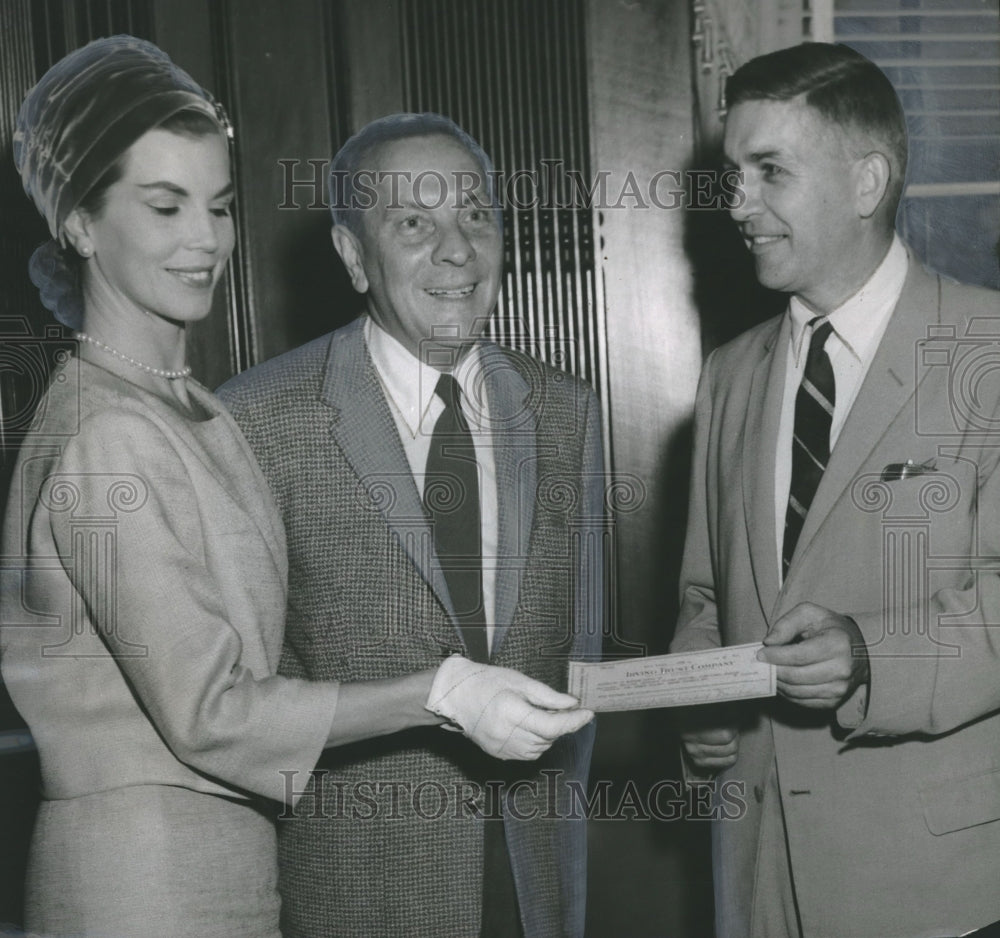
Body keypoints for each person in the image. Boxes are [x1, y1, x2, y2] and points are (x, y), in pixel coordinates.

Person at [0, 38, 591, 938]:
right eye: (165, 207)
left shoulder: (177, 405)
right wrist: (440, 691)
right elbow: (211, 710)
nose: (203, 239)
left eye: (220, 206)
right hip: (144, 885)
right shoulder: (109, 431)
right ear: (79, 225)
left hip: (226, 869)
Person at [217, 112, 605, 938]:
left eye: (476, 215)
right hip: (353, 900)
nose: (457, 249)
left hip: (532, 889)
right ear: (355, 257)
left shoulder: (567, 412)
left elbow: (583, 672)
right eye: (413, 224)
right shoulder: (255, 423)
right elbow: (234, 710)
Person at [671, 42, 1000, 938]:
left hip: (938, 887)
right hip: (756, 873)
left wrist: (870, 657)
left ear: (867, 182)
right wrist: (701, 691)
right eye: (732, 173)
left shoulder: (986, 348)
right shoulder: (730, 374)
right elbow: (707, 593)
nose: (736, 203)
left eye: (768, 171)